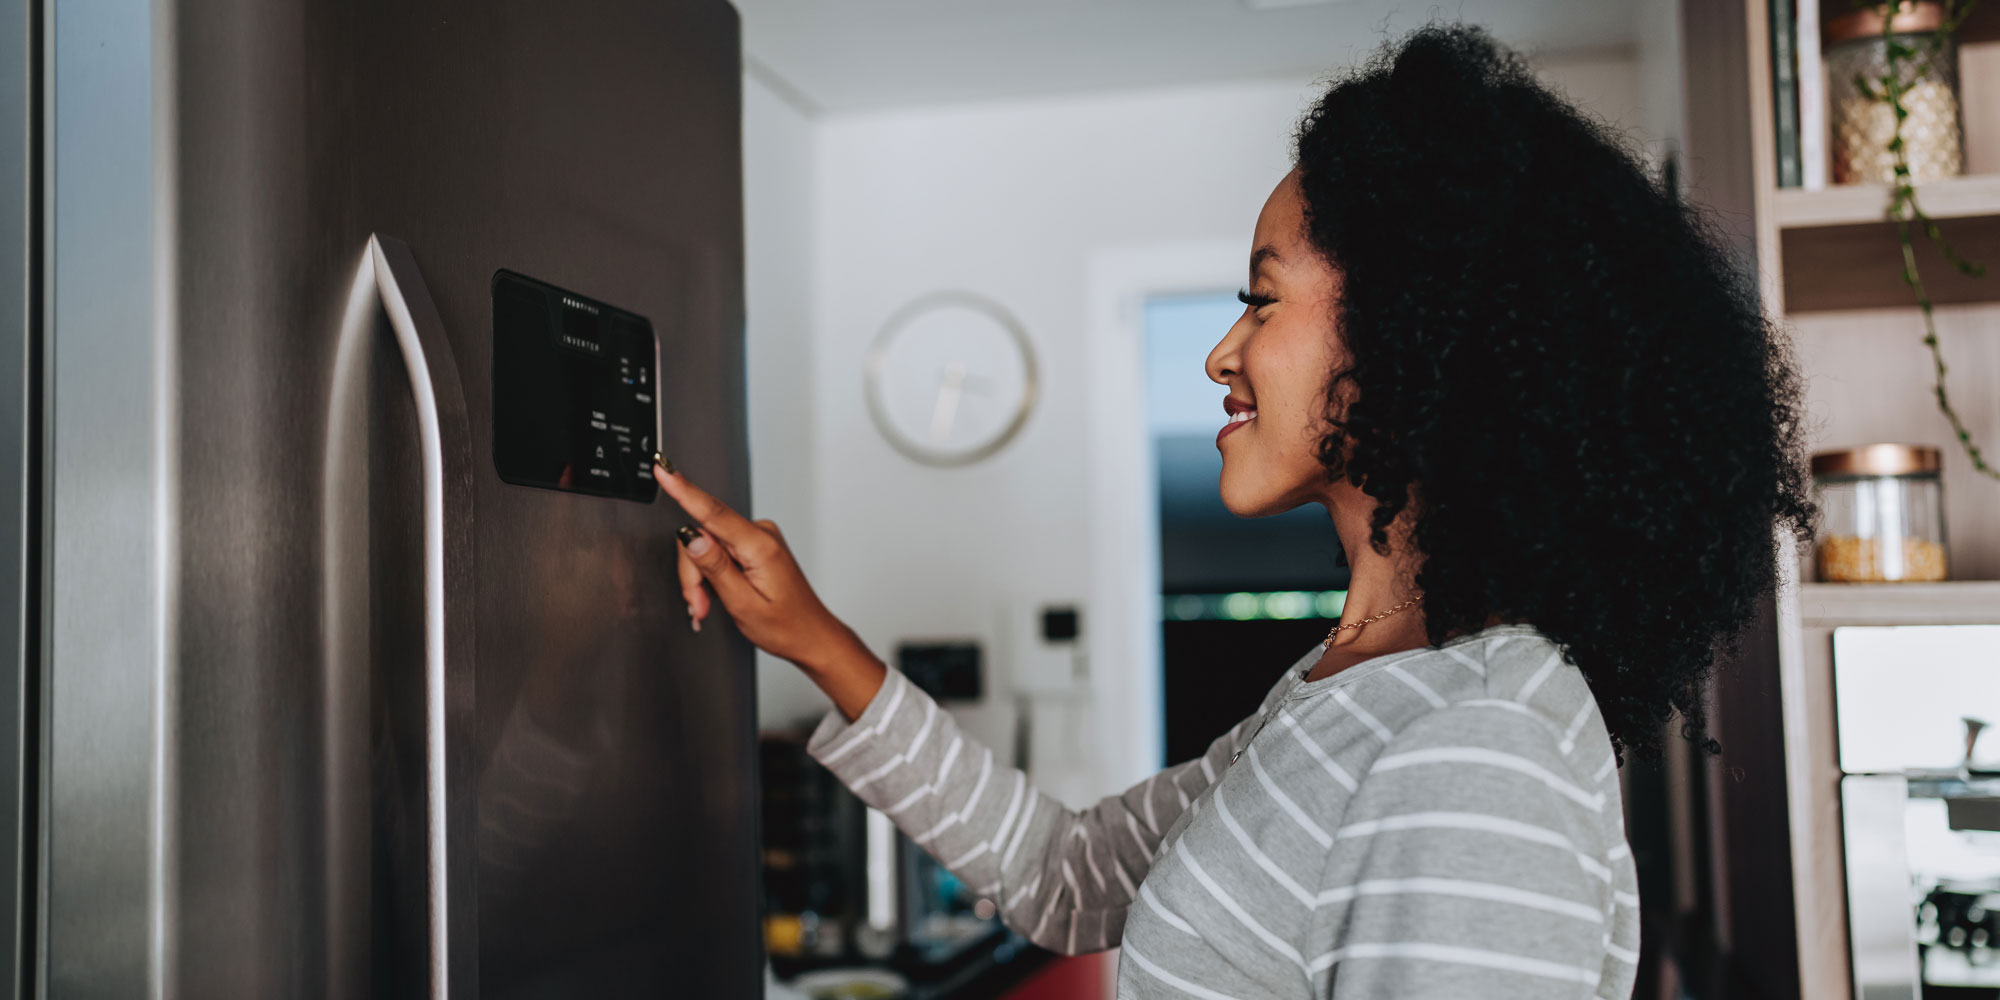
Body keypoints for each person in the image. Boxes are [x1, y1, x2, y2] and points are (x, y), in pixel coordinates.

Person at [650, 23, 1813, 999]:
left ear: (1419, 330)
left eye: (1260, 299)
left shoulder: (1475, 746)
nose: (1221, 351)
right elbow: (1061, 873)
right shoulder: (1346, 690)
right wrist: (812, 637)